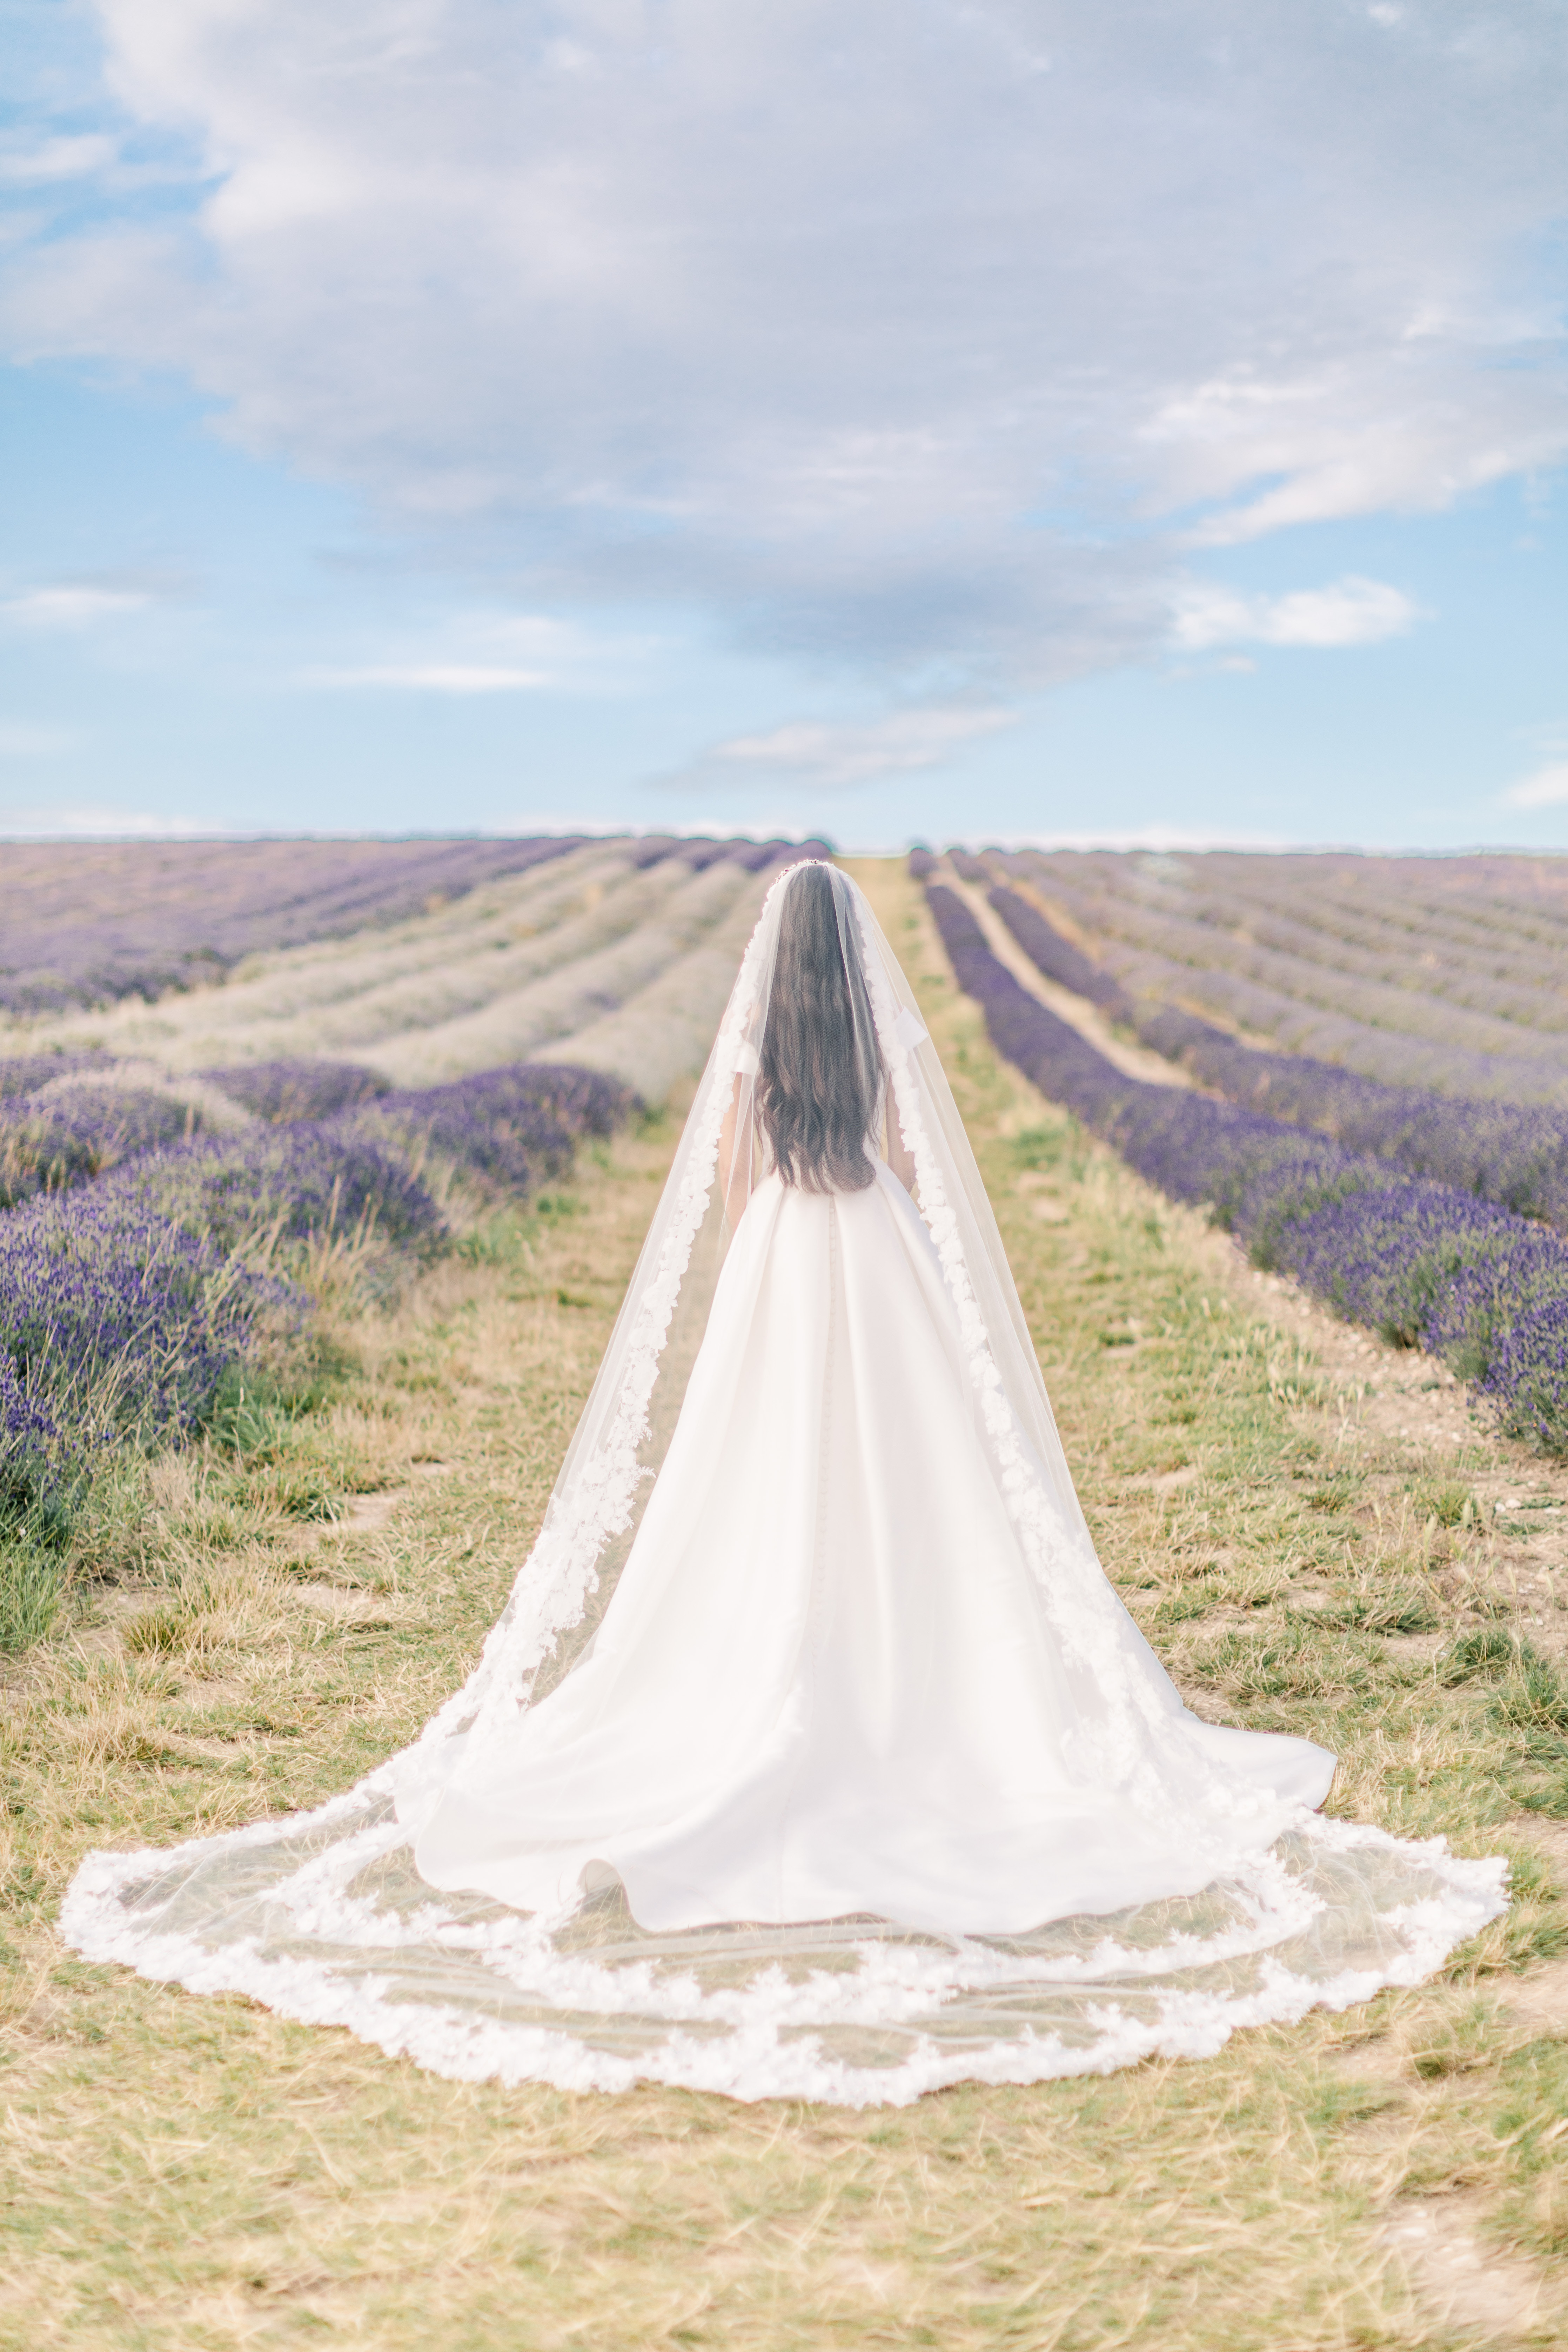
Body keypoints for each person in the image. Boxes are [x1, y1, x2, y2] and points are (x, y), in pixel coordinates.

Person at [64, 861, 1505, 2105]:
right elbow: (892, 1157)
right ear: (852, 959)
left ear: (771, 961)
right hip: (870, 1252)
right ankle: (907, 1660)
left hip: (783, 1258)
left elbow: (746, 1179)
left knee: (751, 1480)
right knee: (916, 1483)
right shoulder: (871, 1036)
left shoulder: (758, 1047)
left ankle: (774, 1644)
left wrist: (767, 1256)